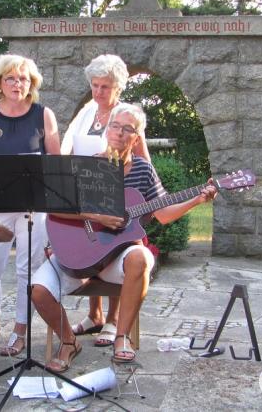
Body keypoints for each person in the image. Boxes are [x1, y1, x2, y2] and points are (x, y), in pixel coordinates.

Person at [31, 103, 217, 372]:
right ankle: (69, 342)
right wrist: (97, 218)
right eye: (115, 126)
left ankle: (121, 337)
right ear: (107, 131)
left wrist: (198, 199)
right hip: (79, 254)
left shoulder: (143, 170)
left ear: (137, 137)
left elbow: (162, 213)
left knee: (141, 256)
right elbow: (57, 209)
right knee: (38, 291)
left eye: (127, 129)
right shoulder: (87, 166)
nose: (119, 133)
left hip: (116, 259)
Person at [0, 54, 61, 357]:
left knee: (27, 268)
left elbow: (56, 162)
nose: (18, 84)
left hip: (34, 202)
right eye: (11, 78)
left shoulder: (44, 115)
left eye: (24, 79)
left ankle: (20, 329)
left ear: (32, 84)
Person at [59, 54, 151, 348]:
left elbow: (141, 160)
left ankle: (113, 320)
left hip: (116, 198)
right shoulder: (86, 113)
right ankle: (94, 314)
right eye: (95, 85)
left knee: (113, 249)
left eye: (105, 87)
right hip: (87, 193)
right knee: (90, 248)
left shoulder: (127, 118)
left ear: (119, 88)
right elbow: (68, 149)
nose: (98, 92)